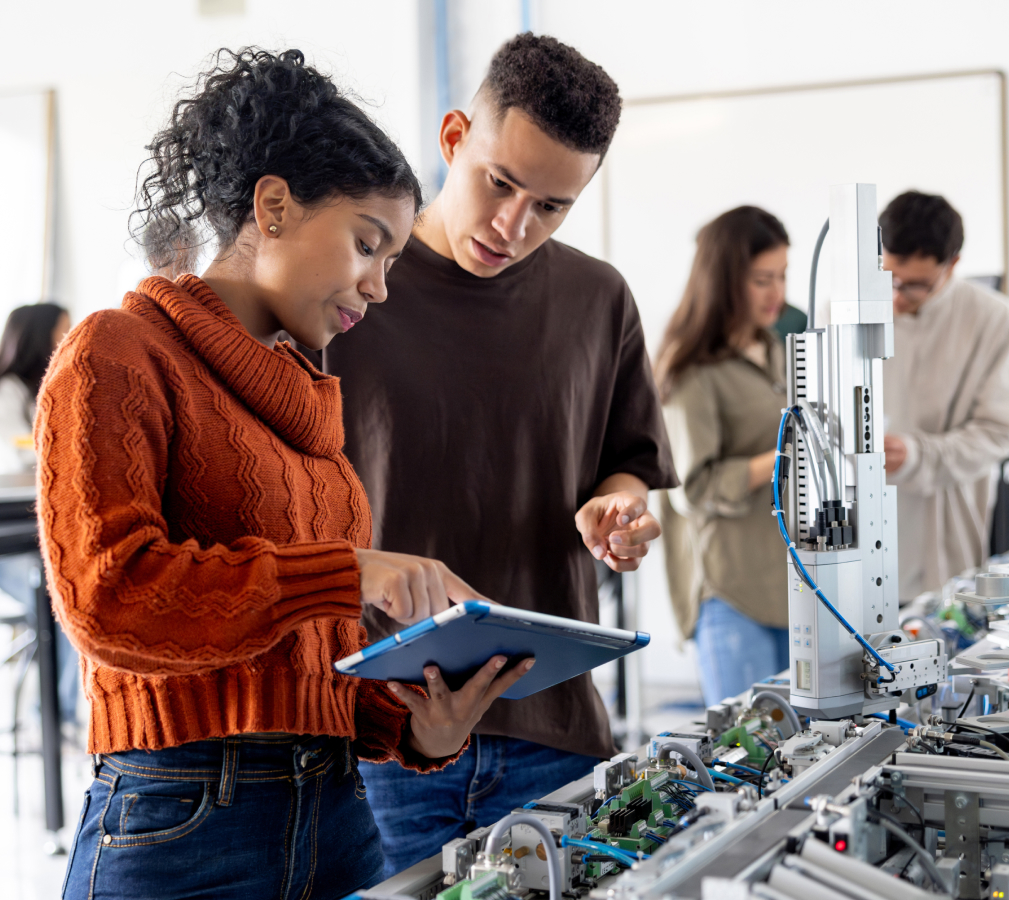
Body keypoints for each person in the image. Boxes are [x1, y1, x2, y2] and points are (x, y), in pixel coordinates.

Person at [38, 48, 530, 900]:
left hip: (339, 813)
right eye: (367, 245)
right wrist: (345, 574)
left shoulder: (307, 404)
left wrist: (414, 725)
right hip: (180, 819)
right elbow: (107, 596)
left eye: (392, 260)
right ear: (272, 208)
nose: (379, 287)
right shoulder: (116, 354)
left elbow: (306, 660)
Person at [317, 33, 676, 877]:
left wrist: (619, 511)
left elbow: (629, 463)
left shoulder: (597, 298)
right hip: (379, 730)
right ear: (452, 139)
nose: (514, 225)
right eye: (499, 183)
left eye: (550, 206)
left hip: (553, 728)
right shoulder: (350, 287)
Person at [655, 207, 792, 708]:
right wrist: (782, 458)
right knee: (752, 759)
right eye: (762, 279)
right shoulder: (692, 369)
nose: (777, 292)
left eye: (781, 276)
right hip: (731, 593)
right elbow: (692, 488)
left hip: (788, 584)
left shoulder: (776, 351)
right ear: (727, 280)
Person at [879, 191, 1009, 599]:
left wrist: (918, 455)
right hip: (858, 545)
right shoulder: (842, 313)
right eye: (890, 278)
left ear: (953, 264)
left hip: (944, 545)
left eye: (916, 285)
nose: (897, 295)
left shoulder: (994, 321)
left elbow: (995, 434)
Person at [0, 302, 69, 474]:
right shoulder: (9, 389)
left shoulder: (53, 386)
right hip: (18, 491)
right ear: (41, 336)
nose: (70, 339)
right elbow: (20, 452)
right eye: (65, 330)